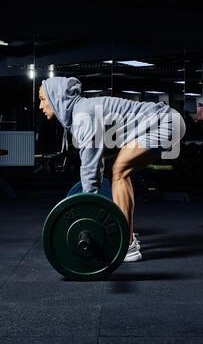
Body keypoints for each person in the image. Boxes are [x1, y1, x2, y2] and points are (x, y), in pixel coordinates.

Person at [39, 77, 186, 262]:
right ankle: (129, 237)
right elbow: (97, 160)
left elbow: (89, 166)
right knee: (119, 171)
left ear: (56, 97)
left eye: (43, 99)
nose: (40, 106)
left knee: (119, 171)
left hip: (165, 122)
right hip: (166, 122)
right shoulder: (83, 111)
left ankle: (128, 244)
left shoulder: (82, 115)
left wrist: (88, 203)